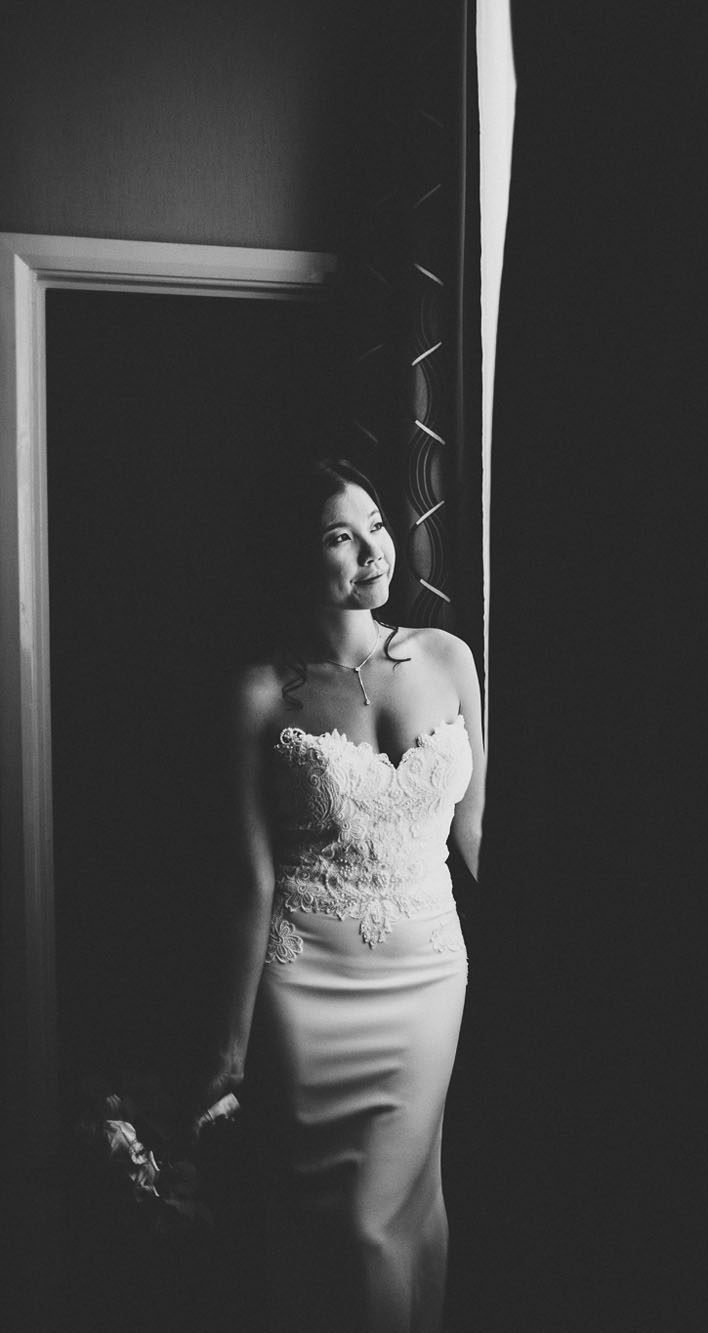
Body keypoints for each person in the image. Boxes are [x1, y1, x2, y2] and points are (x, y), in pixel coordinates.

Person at [197, 457, 487, 1333]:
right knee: (347, 1227)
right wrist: (229, 1046)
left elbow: (477, 834)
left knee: (391, 1214)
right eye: (338, 535)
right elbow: (249, 880)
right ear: (298, 557)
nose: (372, 549)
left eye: (377, 525)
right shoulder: (258, 693)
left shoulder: (450, 657)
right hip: (309, 984)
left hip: (429, 980)